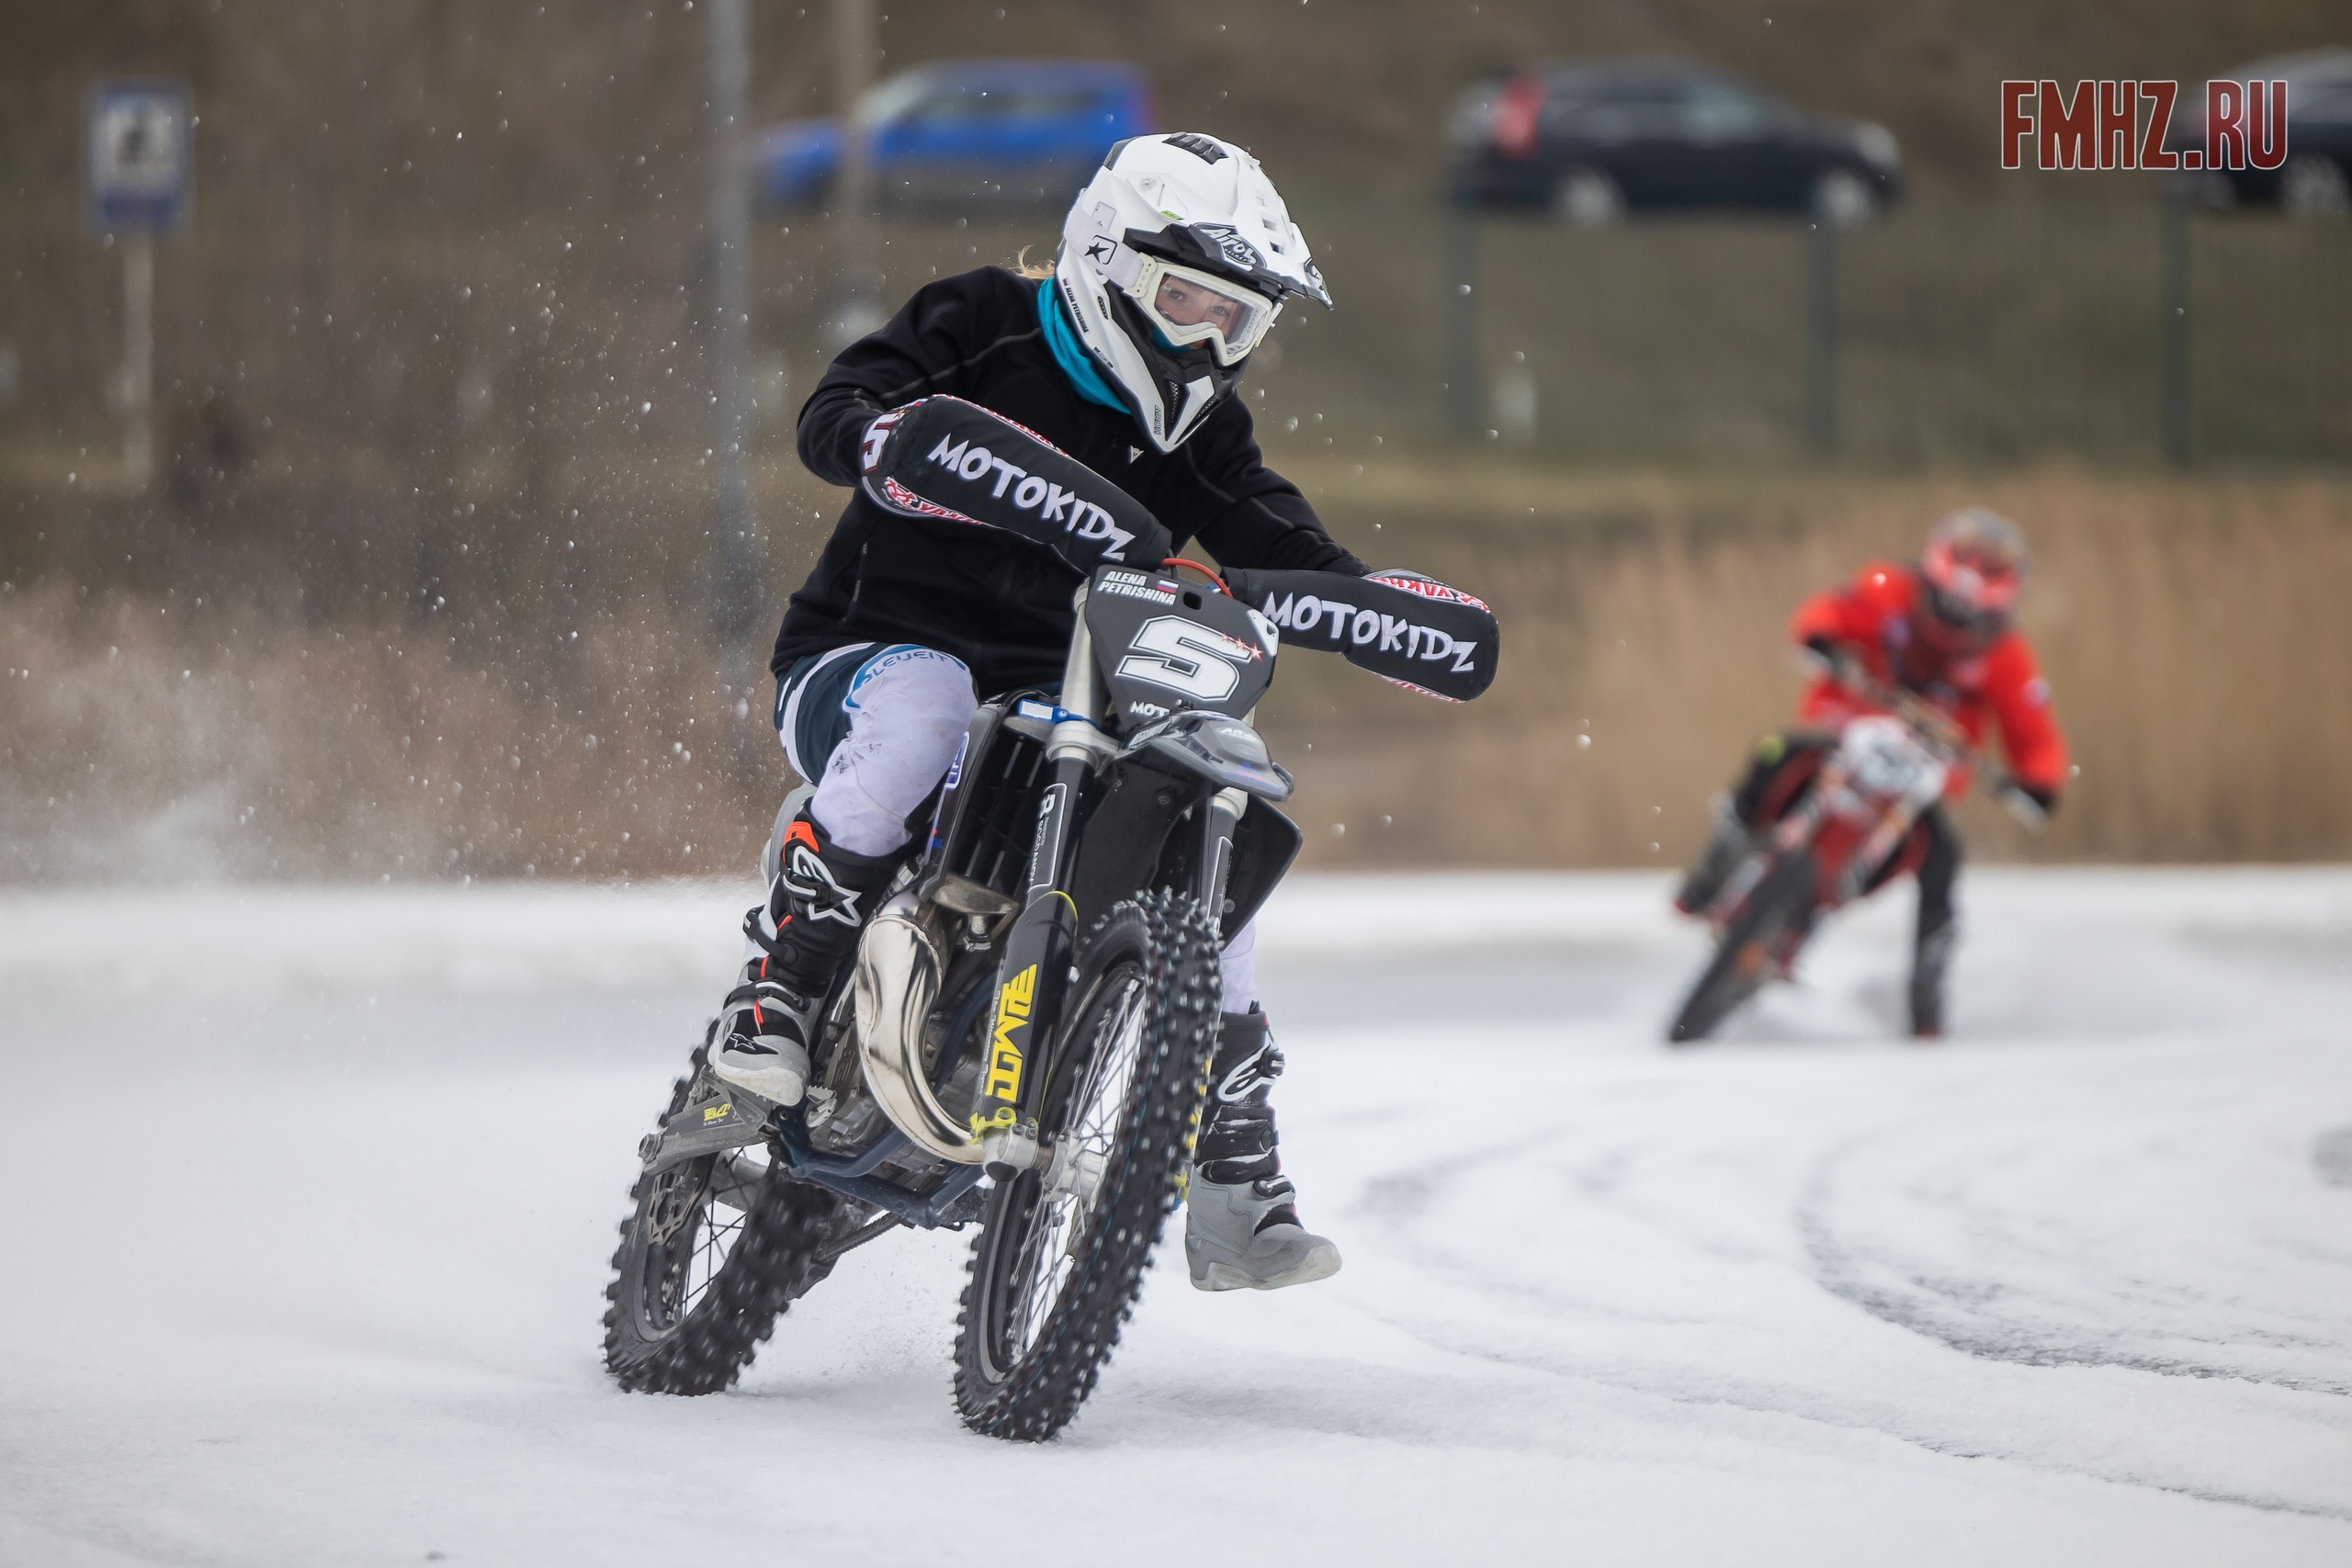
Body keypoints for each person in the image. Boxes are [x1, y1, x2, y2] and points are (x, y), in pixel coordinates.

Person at [709, 132, 1383, 1292]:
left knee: (1207, 790)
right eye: (1184, 302)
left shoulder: (1202, 433)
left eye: (1237, 320)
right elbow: (841, 405)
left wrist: (1356, 598)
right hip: (871, 652)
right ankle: (785, 984)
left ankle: (1228, 1144)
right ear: (1104, 259)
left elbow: (1282, 534)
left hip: (1058, 694)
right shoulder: (982, 320)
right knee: (924, 716)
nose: (1206, 340)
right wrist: (873, 432)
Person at [1673, 508, 2068, 1037]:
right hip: (1844, 732)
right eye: (1945, 609)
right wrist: (1821, 641)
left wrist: (2038, 783)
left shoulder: (2008, 657)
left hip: (1920, 776)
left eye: (1968, 621)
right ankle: (1717, 864)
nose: (1952, 628)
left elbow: (2034, 733)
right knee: (1774, 753)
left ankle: (1926, 1004)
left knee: (1943, 862)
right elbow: (1828, 612)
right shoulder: (1888, 587)